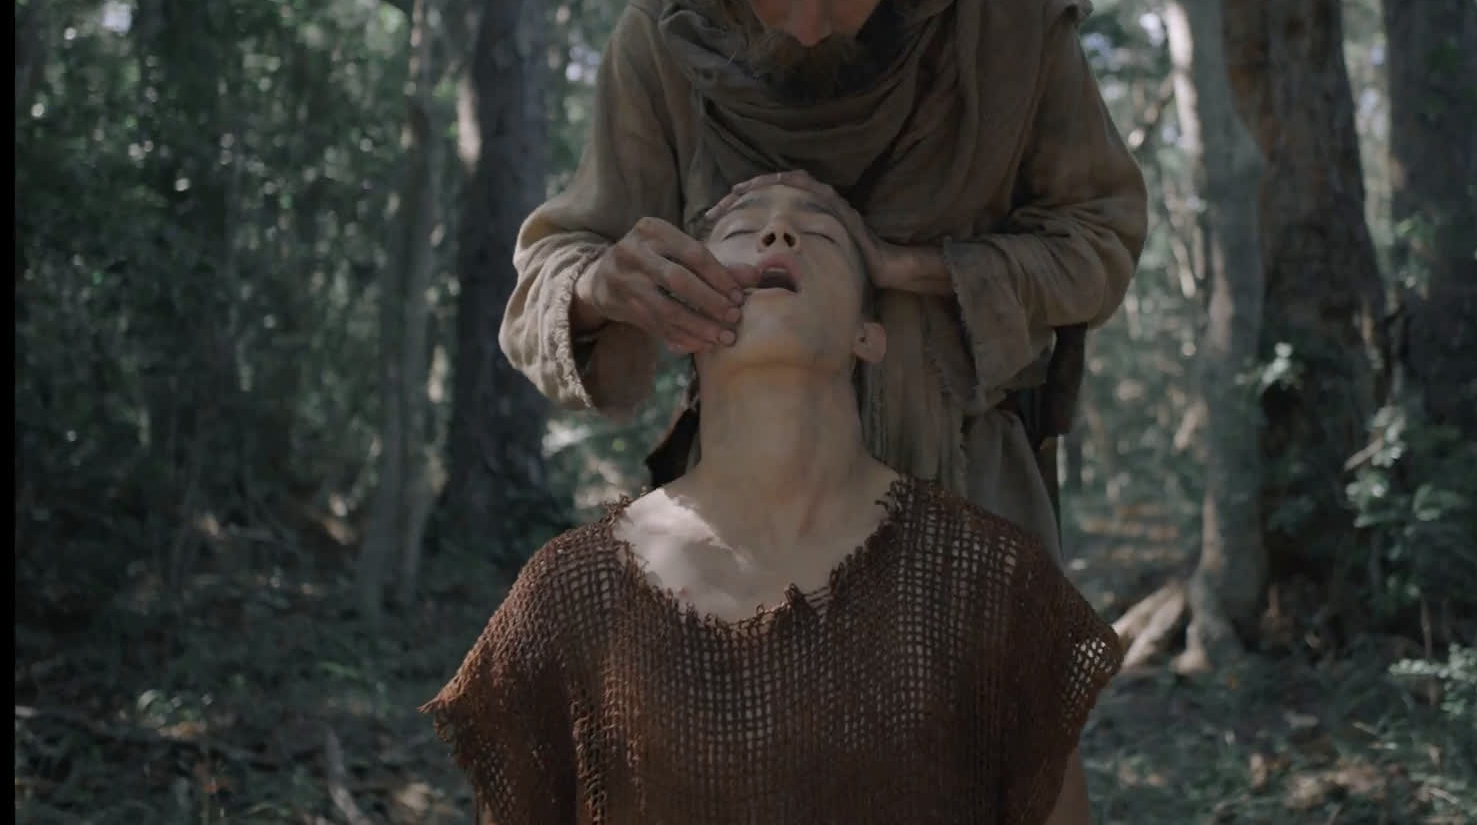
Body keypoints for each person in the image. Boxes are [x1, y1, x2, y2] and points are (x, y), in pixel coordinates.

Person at [498, 0, 1149, 563]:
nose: (808, 24)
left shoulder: (1004, 12)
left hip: (974, 510)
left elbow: (1101, 239)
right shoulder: (667, 36)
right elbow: (542, 288)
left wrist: (907, 267)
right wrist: (601, 287)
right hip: (738, 542)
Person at [425, 182, 1123, 823]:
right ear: (677, 320)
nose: (780, 237)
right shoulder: (568, 594)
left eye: (818, 234)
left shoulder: (987, 580)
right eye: (743, 229)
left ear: (867, 335)